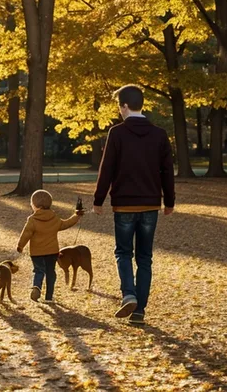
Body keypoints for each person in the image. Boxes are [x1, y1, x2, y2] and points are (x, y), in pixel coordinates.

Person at [93, 85, 175, 325]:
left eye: (120, 106)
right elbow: (167, 171)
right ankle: (139, 311)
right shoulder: (159, 135)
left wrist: (99, 199)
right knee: (145, 258)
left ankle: (128, 294)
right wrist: (169, 201)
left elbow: (106, 168)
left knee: (123, 253)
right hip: (150, 205)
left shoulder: (117, 133)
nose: (119, 110)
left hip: (124, 206)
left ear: (125, 106)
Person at [17, 189, 83, 303]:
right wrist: (76, 215)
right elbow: (66, 223)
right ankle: (49, 296)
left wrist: (20, 245)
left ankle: (37, 287)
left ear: (36, 206)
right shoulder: (54, 218)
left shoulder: (32, 220)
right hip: (52, 252)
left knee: (39, 270)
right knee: (50, 272)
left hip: (36, 253)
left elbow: (26, 234)